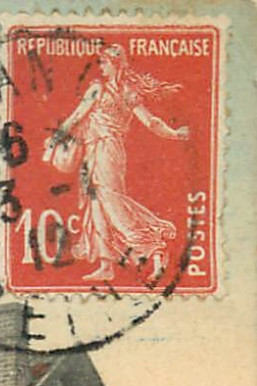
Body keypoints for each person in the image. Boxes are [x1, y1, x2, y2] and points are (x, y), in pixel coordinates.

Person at [44, 44, 190, 283]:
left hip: (107, 151)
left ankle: (154, 248)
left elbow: (79, 116)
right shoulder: (113, 90)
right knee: (96, 205)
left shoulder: (113, 90)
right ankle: (106, 264)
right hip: (94, 150)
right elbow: (79, 116)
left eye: (103, 62)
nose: (100, 67)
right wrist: (175, 134)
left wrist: (174, 134)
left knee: (112, 203)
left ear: (114, 64)